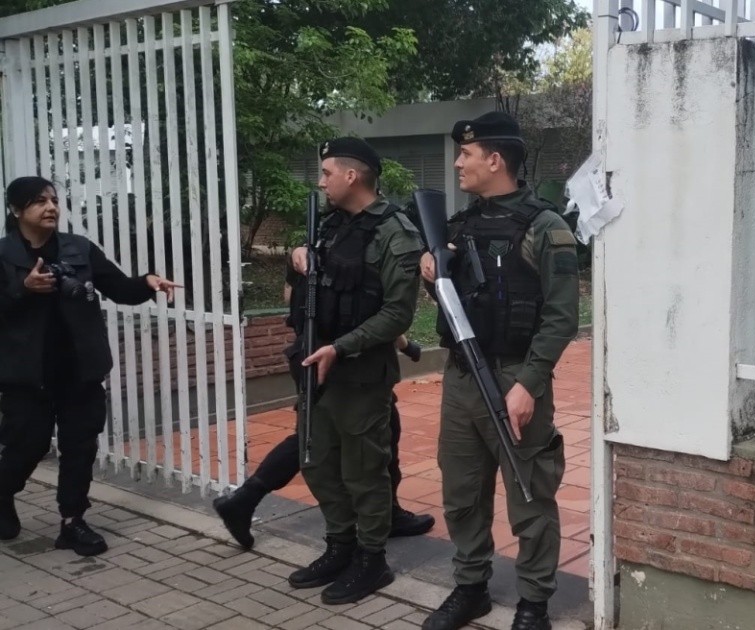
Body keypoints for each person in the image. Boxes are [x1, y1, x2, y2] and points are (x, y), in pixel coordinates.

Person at [419, 111, 579, 630]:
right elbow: (456, 306)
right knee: (461, 493)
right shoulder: (458, 225)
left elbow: (561, 319)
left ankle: (534, 603)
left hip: (515, 380)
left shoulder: (545, 227)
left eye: (467, 154)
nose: (458, 162)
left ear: (495, 159)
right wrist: (432, 277)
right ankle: (470, 588)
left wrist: (529, 384)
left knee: (530, 497)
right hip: (463, 378)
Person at [0, 175, 179, 556]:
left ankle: (72, 521)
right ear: (16, 211)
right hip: (25, 375)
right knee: (26, 446)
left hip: (79, 369)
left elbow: (119, 288)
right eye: (38, 201)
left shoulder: (78, 249)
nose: (50, 207)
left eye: (53, 199)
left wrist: (147, 282)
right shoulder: (3, 255)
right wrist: (21, 290)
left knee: (80, 446)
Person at [283, 137, 425, 606]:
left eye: (326, 173)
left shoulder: (395, 232)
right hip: (317, 370)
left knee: (364, 471)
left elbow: (396, 316)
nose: (320, 182)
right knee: (318, 462)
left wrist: (341, 348)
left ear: (352, 175)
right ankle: (340, 545)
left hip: (360, 374)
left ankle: (371, 559)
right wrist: (298, 258)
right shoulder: (329, 226)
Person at [210, 274, 434, 551]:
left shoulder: (313, 252)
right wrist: (405, 345)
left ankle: (389, 511)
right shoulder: (341, 248)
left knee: (341, 429)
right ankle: (244, 500)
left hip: (314, 349)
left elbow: (293, 296)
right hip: (346, 359)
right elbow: (376, 314)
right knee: (322, 435)